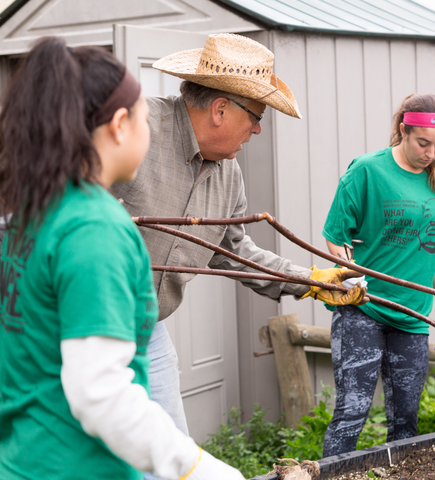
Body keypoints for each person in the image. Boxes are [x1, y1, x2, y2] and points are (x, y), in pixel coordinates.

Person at [109, 32, 366, 476]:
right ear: (220, 109)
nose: (259, 129)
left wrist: (312, 282)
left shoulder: (227, 174)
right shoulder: (133, 131)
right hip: (77, 321)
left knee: (168, 459)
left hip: (145, 329)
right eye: (256, 116)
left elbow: (233, 251)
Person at [0, 37, 246, 479]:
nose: (152, 131)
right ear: (118, 126)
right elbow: (101, 394)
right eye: (145, 120)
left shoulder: (37, 210)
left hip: (24, 460)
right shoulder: (94, 229)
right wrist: (201, 469)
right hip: (78, 468)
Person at [321, 93, 435, 456]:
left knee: (406, 419)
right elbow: (335, 236)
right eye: (423, 143)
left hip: (412, 318)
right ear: (403, 130)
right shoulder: (368, 170)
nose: (431, 152)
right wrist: (347, 274)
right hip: (363, 310)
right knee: (352, 410)